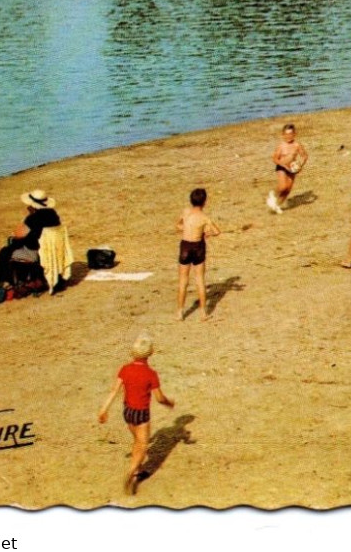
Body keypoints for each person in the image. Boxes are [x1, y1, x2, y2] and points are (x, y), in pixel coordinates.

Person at [97, 334, 175, 496]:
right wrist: (170, 403)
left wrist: (104, 409)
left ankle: (138, 470)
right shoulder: (150, 374)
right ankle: (132, 472)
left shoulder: (125, 369)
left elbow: (114, 391)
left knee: (137, 441)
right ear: (150, 353)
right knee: (143, 444)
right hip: (141, 413)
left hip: (128, 411)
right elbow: (159, 398)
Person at [0, 189, 69, 300]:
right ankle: (31, 279)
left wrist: (26, 218)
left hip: (37, 253)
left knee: (5, 252)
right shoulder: (53, 215)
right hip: (54, 250)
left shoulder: (33, 218)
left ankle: (5, 283)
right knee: (13, 249)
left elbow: (18, 234)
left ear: (32, 205)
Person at [176, 188, 220, 321]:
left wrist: (186, 229)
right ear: (204, 202)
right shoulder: (204, 218)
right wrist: (205, 234)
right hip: (198, 246)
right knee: (200, 280)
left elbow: (178, 225)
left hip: (185, 246)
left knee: (183, 280)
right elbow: (217, 231)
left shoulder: (185, 212)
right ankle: (203, 312)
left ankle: (180, 312)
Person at [268, 124, 307, 214]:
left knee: (287, 190)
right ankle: (272, 195)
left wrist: (300, 165)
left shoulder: (297, 145)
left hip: (292, 169)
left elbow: (304, 156)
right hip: (281, 167)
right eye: (286, 134)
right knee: (283, 187)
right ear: (283, 135)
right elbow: (274, 158)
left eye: (290, 134)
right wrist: (284, 166)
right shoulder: (281, 146)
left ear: (294, 134)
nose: (288, 136)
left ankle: (277, 205)